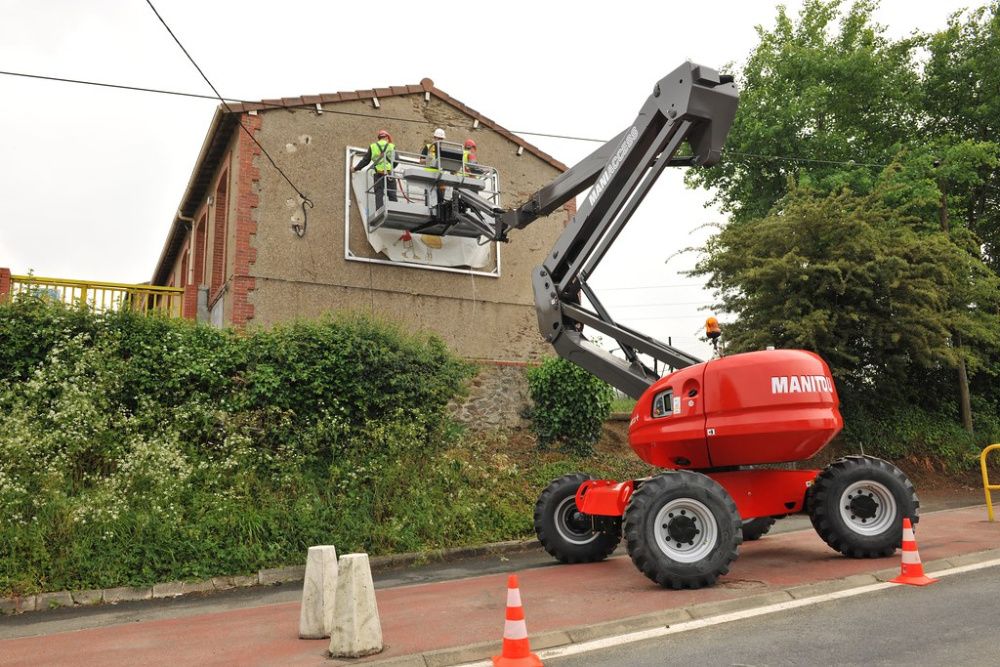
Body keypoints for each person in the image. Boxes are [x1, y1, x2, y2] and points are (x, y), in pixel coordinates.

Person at [353, 129, 397, 209]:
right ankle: (395, 209)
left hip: (378, 172)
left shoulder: (373, 146)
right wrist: (390, 168)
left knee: (379, 193)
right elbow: (396, 160)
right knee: (392, 193)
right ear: (387, 137)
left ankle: (379, 210)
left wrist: (355, 168)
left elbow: (365, 161)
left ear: (379, 138)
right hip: (389, 173)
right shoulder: (391, 146)